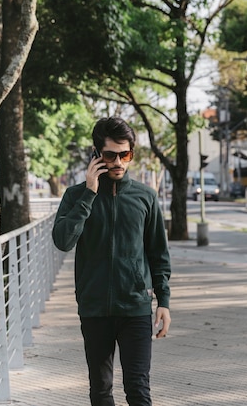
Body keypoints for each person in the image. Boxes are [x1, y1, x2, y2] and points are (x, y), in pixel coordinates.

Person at [52, 117, 171, 406]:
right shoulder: (76, 196)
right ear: (96, 154)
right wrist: (89, 194)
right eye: (110, 155)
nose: (118, 161)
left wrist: (164, 302)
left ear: (131, 153)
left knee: (138, 390)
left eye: (125, 154)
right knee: (101, 390)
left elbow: (158, 254)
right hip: (94, 309)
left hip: (135, 308)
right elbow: (63, 241)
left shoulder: (145, 197)